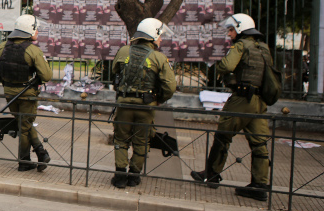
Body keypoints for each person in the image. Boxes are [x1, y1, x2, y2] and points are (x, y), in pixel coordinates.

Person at [191, 13, 274, 201]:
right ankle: (260, 185)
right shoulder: (264, 48)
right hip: (259, 102)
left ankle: (211, 174)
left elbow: (227, 65)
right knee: (259, 143)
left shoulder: (241, 45)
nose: (229, 34)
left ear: (239, 29)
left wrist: (219, 68)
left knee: (223, 137)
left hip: (241, 100)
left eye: (231, 30)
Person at [110, 18, 176, 189]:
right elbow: (170, 86)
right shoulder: (159, 57)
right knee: (141, 141)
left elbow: (114, 71)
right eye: (159, 36)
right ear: (152, 35)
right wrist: (158, 99)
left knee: (121, 139)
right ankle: (134, 176)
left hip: (124, 104)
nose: (161, 39)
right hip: (146, 106)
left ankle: (119, 176)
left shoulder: (124, 51)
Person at [0, 14, 53, 172]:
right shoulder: (33, 50)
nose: (37, 31)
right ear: (29, 30)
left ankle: (41, 152)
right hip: (27, 94)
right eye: (35, 28)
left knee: (23, 124)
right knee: (24, 127)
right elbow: (47, 76)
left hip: (10, 93)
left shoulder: (2, 46)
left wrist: (7, 82)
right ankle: (24, 161)